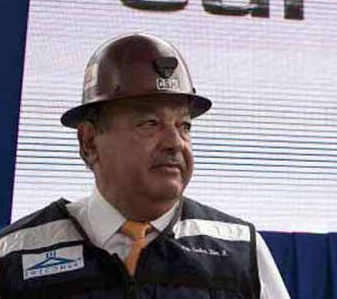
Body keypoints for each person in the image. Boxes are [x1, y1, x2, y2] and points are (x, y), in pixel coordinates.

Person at [0, 33, 291, 299]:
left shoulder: (240, 251)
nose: (175, 143)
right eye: (150, 123)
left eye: (184, 126)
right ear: (89, 141)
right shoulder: (15, 254)